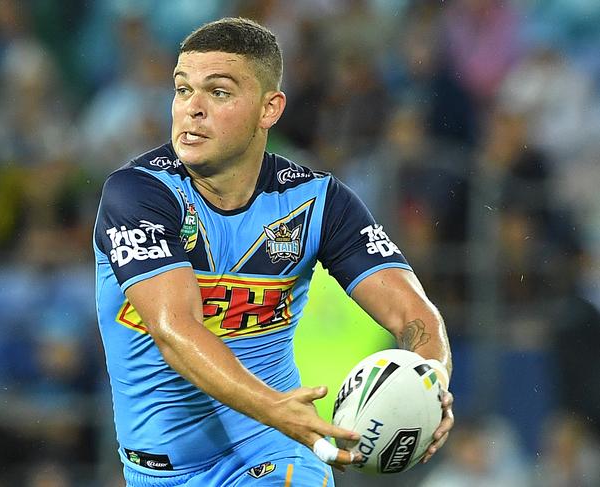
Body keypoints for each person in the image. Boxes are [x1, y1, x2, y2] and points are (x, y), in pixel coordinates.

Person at [93, 17, 454, 487]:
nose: (192, 109)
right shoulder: (137, 194)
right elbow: (175, 330)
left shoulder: (319, 203)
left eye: (218, 92)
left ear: (270, 108)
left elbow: (414, 314)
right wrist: (277, 408)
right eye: (183, 90)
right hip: (159, 472)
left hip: (272, 451)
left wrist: (431, 384)